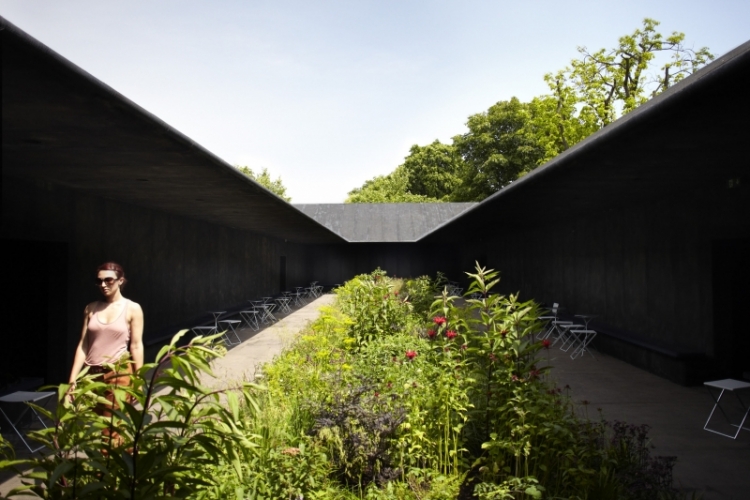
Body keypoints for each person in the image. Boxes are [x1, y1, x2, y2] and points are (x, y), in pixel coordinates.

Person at [67, 262, 144, 446]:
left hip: (118, 372)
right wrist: (72, 380)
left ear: (120, 280)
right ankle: (110, 468)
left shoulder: (132, 308)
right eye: (99, 281)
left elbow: (136, 346)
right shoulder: (91, 308)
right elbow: (83, 345)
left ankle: (113, 472)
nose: (103, 285)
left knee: (112, 429)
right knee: (95, 426)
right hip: (92, 375)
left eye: (108, 280)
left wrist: (139, 381)